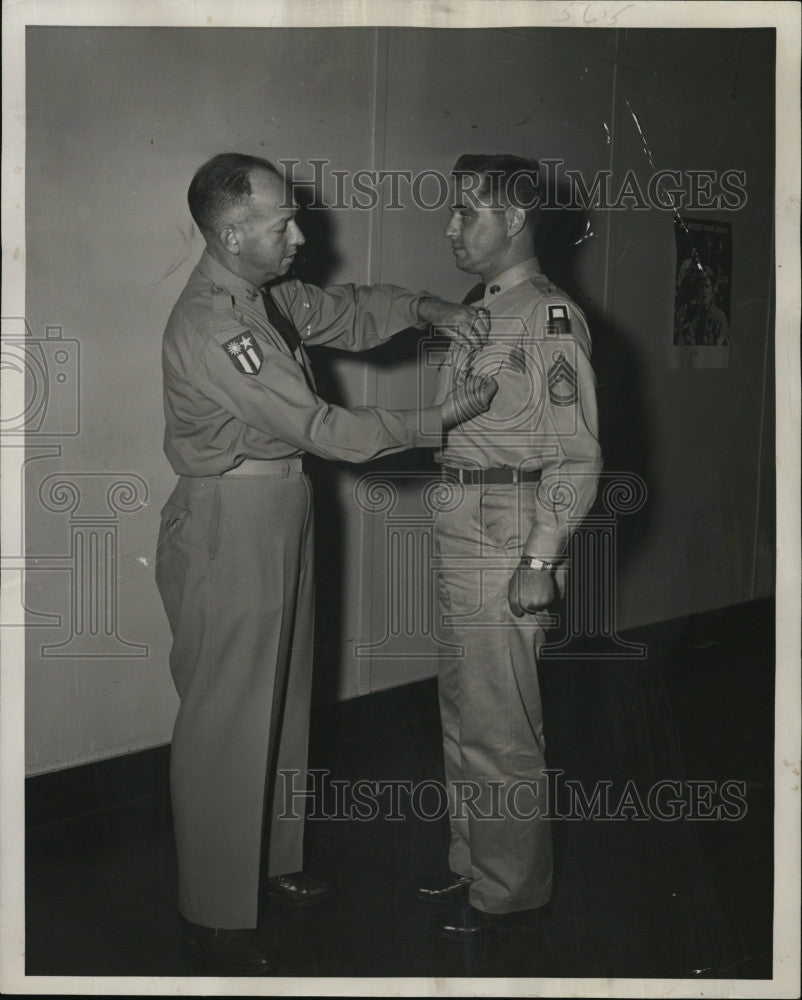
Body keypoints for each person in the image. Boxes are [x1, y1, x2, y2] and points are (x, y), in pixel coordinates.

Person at [155, 152, 497, 975]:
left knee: (285, 703)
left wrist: (428, 308)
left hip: (282, 505)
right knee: (228, 718)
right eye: (281, 225)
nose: (299, 236)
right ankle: (213, 912)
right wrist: (438, 418)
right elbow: (325, 428)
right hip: (232, 517)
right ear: (233, 234)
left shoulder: (263, 296)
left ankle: (267, 865)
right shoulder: (216, 324)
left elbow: (344, 312)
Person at [417, 153, 603, 937]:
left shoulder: (548, 317)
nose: (453, 227)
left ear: (517, 220)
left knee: (503, 727)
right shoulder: (483, 305)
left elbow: (578, 451)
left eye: (469, 212)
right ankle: (474, 867)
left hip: (506, 525)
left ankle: (509, 896)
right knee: (464, 713)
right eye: (455, 211)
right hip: (465, 515)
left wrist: (541, 556)